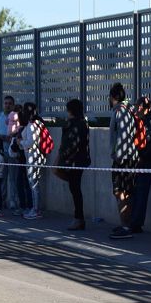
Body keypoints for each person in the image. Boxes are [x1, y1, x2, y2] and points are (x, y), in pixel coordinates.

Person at [107, 83, 139, 240]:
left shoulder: (119, 111)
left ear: (112, 97)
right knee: (125, 192)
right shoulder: (129, 110)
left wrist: (117, 156)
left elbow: (122, 136)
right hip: (130, 157)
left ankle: (126, 226)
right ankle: (126, 224)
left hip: (123, 158)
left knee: (120, 191)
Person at [129, 95, 151, 234]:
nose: (137, 108)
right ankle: (134, 221)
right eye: (136, 105)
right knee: (137, 192)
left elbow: (148, 144)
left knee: (141, 192)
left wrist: (139, 158)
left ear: (147, 108)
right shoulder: (141, 121)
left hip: (147, 163)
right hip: (142, 162)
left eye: (139, 105)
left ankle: (136, 224)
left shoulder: (150, 123)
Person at [59, 98, 91, 231]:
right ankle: (79, 218)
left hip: (73, 161)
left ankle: (79, 219)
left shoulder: (73, 124)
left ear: (70, 110)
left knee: (75, 189)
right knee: (75, 188)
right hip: (81, 160)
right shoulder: (83, 123)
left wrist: (63, 155)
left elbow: (70, 143)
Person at [0, 95, 20, 211]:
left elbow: (20, 131)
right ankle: (1, 200)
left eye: (10, 103)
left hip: (12, 152)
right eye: (6, 103)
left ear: (13, 105)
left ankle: (13, 201)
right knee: (1, 177)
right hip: (1, 152)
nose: (7, 105)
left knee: (13, 178)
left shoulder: (16, 117)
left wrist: (12, 136)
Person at [20, 102, 47, 220]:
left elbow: (30, 143)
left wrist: (20, 142)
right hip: (37, 157)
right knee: (35, 184)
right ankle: (36, 209)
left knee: (34, 184)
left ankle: (36, 210)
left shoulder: (32, 125)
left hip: (33, 158)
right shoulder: (39, 123)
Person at [10, 109, 33, 214]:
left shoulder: (30, 128)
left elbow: (29, 143)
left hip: (28, 160)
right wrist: (16, 145)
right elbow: (12, 148)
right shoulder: (18, 131)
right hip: (20, 161)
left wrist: (21, 142)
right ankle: (22, 206)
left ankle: (30, 206)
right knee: (19, 183)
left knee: (28, 185)